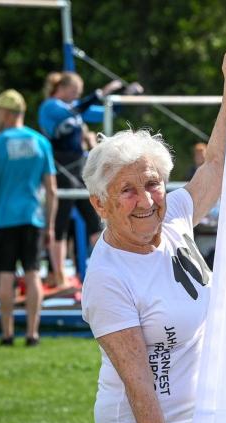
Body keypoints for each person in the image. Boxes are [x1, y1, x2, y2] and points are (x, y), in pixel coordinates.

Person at [80, 37, 226, 423]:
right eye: (126, 190)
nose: (144, 199)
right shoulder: (107, 278)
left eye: (150, 183)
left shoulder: (173, 217)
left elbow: (215, 164)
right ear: (101, 205)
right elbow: (137, 380)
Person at [39, 71, 142, 288]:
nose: (77, 94)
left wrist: (125, 96)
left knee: (93, 218)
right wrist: (101, 93)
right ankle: (58, 277)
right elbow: (75, 110)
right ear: (62, 88)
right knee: (61, 222)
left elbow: (104, 113)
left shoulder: (76, 108)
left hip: (79, 167)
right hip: (60, 165)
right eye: (74, 90)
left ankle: (111, 271)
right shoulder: (51, 106)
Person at [0, 90, 57, 346]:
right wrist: (51, 225)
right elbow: (52, 189)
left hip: (3, 218)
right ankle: (33, 333)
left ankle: (7, 333)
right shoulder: (40, 142)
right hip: (33, 217)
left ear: (8, 113)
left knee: (5, 274)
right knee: (33, 272)